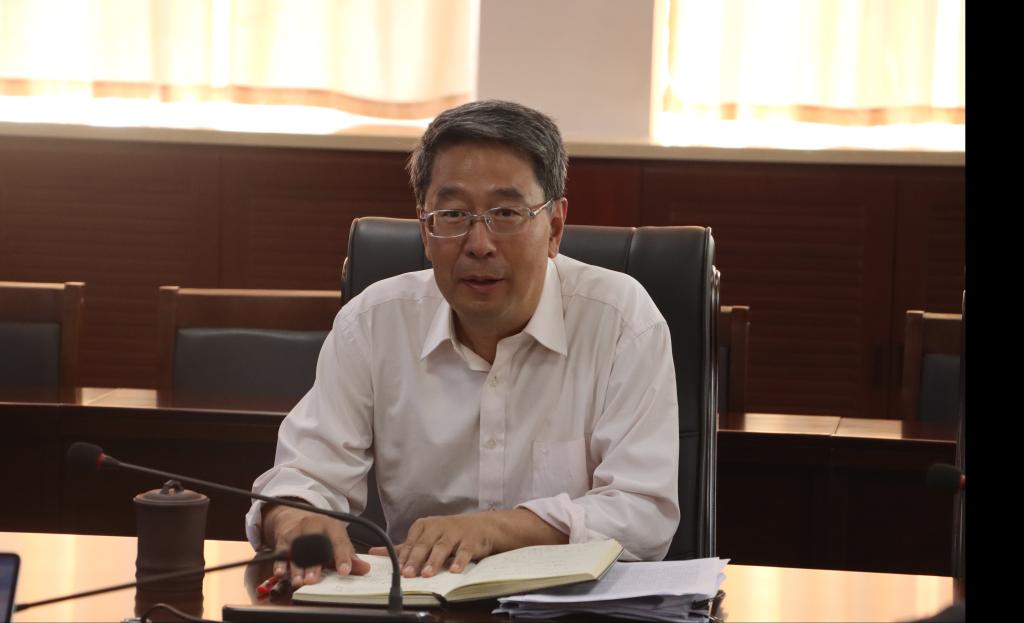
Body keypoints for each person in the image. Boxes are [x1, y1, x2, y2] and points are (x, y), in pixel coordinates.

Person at [245, 100, 679, 588]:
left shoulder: (621, 321)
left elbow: (644, 513)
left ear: (554, 228)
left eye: (506, 213)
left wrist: (497, 529)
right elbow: (304, 475)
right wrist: (296, 518)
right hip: (417, 603)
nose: (479, 244)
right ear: (425, 230)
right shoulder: (373, 324)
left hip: (570, 607)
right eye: (452, 214)